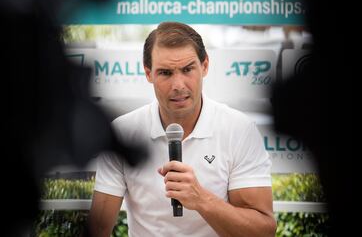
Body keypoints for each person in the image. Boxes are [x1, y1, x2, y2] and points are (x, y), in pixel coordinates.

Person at [88, 22, 276, 237]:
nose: (178, 85)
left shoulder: (239, 129)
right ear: (148, 74)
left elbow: (263, 231)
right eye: (166, 73)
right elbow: (98, 229)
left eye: (187, 69)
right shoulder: (123, 132)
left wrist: (201, 199)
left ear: (204, 66)